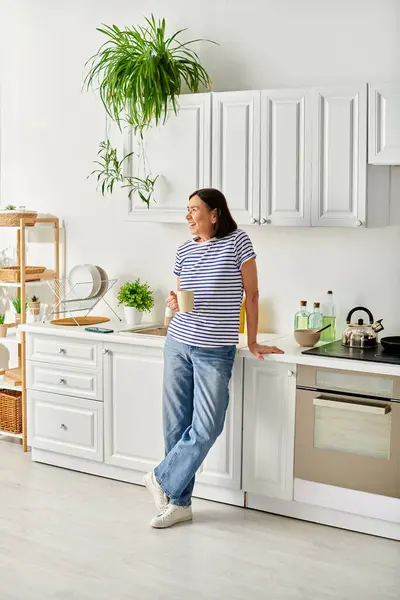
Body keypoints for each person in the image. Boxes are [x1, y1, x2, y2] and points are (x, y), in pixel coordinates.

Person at [144, 188, 284, 528]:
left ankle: (160, 477)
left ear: (215, 213)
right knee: (175, 427)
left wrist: (252, 341)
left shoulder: (238, 242)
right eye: (187, 211)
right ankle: (179, 504)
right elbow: (176, 299)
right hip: (178, 344)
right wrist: (172, 306)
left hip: (214, 350)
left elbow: (252, 295)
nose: (189, 216)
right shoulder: (183, 251)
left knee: (207, 425)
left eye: (194, 210)